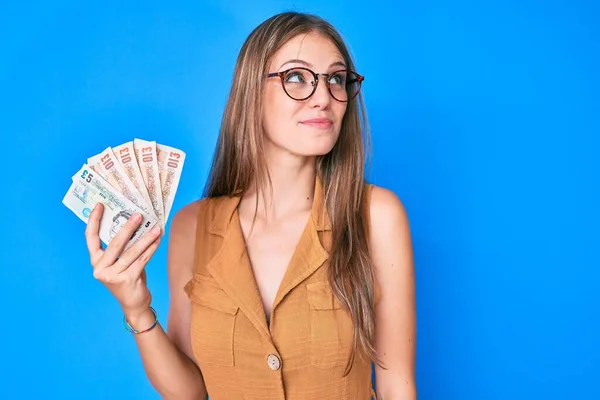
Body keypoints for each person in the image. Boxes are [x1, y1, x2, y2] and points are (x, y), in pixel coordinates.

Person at [85, 11, 416, 400]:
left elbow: (397, 387)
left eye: (336, 79)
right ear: (250, 92)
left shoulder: (377, 215)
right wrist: (137, 309)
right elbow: (189, 392)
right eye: (297, 77)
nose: (324, 97)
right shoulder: (194, 226)